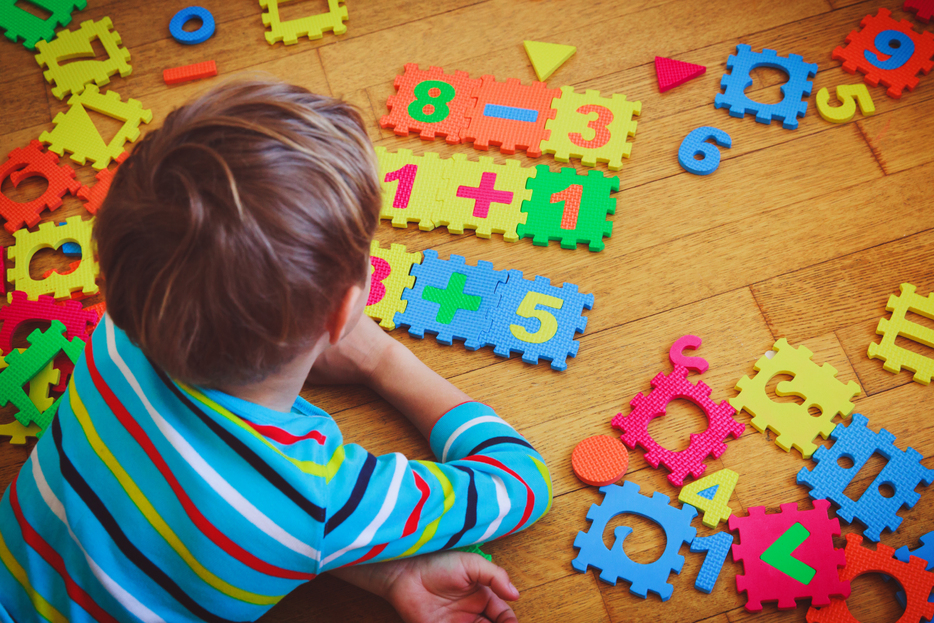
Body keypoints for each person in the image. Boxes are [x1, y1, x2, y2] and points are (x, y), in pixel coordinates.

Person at [0, 79, 552, 623]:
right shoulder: (315, 498)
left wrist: (387, 569)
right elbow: (521, 483)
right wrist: (384, 362)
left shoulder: (113, 340)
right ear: (345, 312)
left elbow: (203, 525)